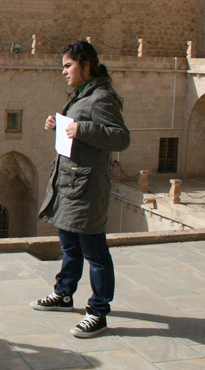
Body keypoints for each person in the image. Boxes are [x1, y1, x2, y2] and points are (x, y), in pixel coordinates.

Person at [30, 41, 130, 338]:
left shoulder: (101, 97)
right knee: (69, 246)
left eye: (68, 65)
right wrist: (58, 124)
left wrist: (82, 129)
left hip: (87, 187)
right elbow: (78, 128)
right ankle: (63, 294)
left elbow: (121, 138)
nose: (63, 71)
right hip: (70, 183)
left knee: (95, 253)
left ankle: (98, 311)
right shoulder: (81, 95)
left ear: (85, 65)